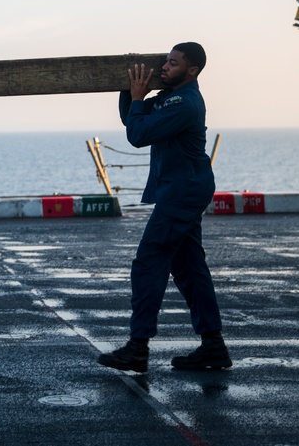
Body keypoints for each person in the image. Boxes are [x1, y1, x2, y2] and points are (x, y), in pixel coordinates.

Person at [97, 42, 231, 373]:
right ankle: (213, 347)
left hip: (182, 193)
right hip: (182, 190)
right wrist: (127, 86)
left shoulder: (184, 103)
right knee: (189, 269)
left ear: (192, 70)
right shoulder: (171, 99)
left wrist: (140, 98)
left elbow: (138, 135)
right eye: (165, 62)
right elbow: (134, 118)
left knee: (148, 264)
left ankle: (137, 348)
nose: (164, 68)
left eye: (172, 63)